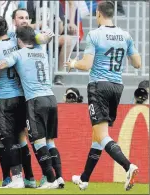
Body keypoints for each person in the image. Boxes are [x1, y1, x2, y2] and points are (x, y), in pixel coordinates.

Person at [0, 26, 65, 189]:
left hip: (34, 100)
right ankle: (59, 178)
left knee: (38, 140)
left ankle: (50, 179)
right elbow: (45, 37)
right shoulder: (41, 50)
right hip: (51, 97)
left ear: (19, 40)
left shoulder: (18, 54)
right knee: (49, 140)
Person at [65, 1, 141, 191]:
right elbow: (138, 63)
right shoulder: (126, 35)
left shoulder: (95, 35)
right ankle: (84, 178)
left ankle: (128, 166)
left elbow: (86, 65)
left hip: (99, 86)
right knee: (97, 136)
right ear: (112, 13)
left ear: (98, 14)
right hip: (117, 86)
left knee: (102, 134)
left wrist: (73, 63)